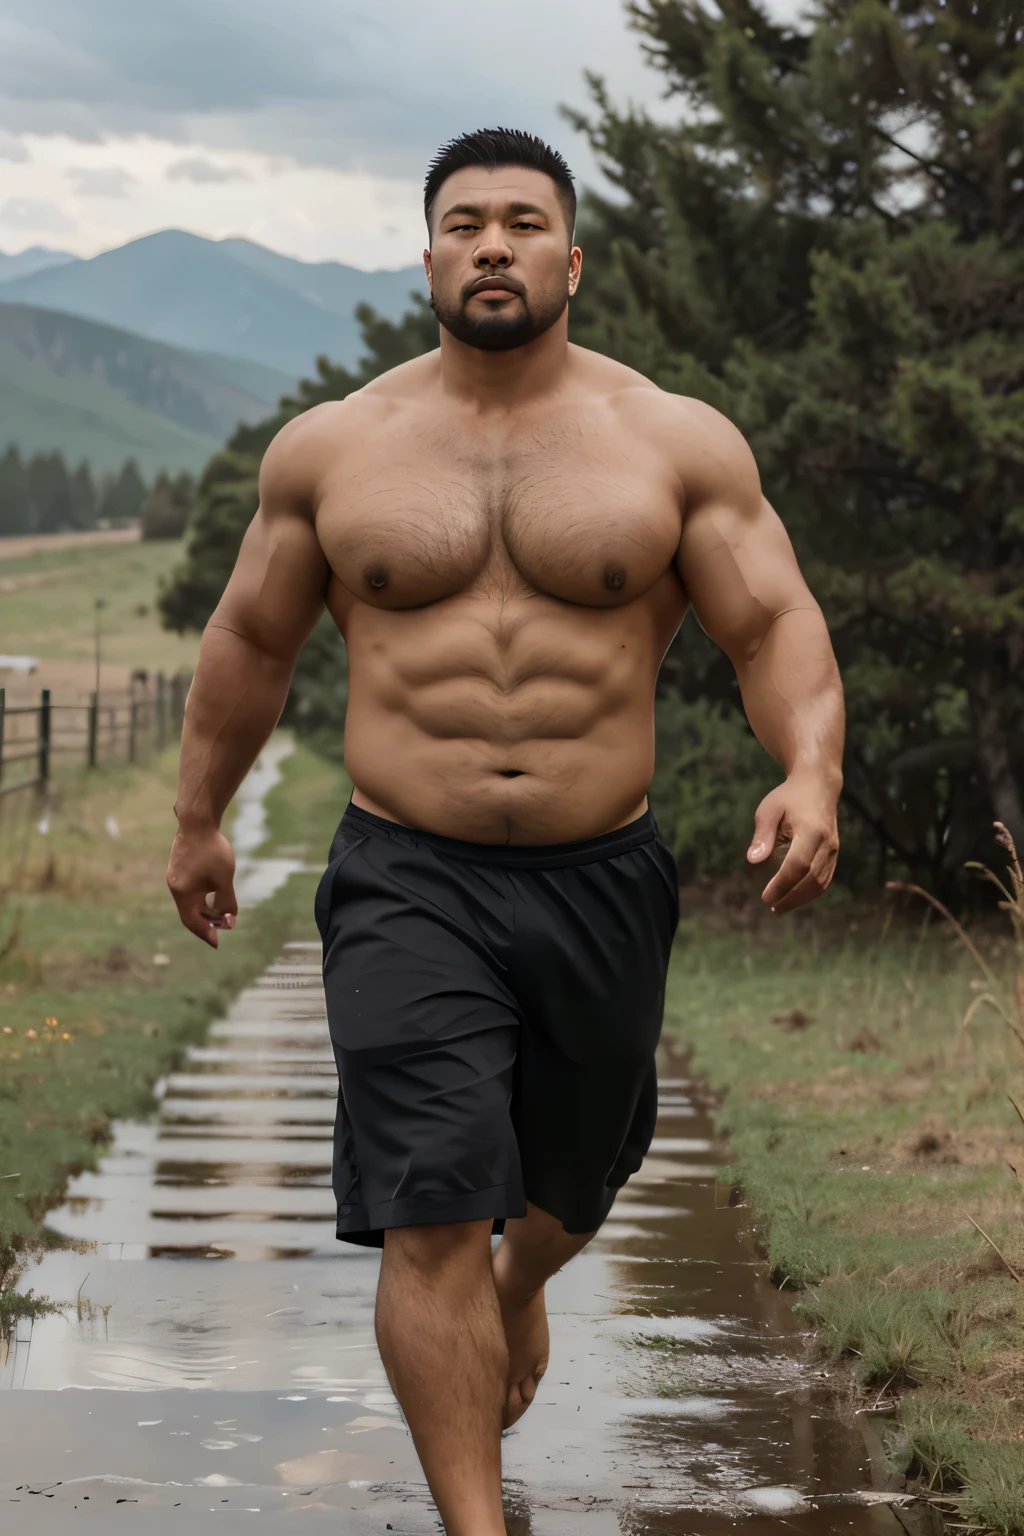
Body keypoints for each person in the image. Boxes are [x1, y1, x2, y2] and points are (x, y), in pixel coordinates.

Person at [167, 127, 844, 1536]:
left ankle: (522, 1282)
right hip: (406, 870)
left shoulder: (671, 438)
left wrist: (813, 772)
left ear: (572, 257)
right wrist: (199, 820)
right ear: (426, 259)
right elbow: (250, 637)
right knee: (430, 1205)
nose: (492, 243)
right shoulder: (334, 449)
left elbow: (771, 622)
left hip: (601, 878)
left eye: (523, 222)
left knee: (575, 1177)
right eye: (464, 222)